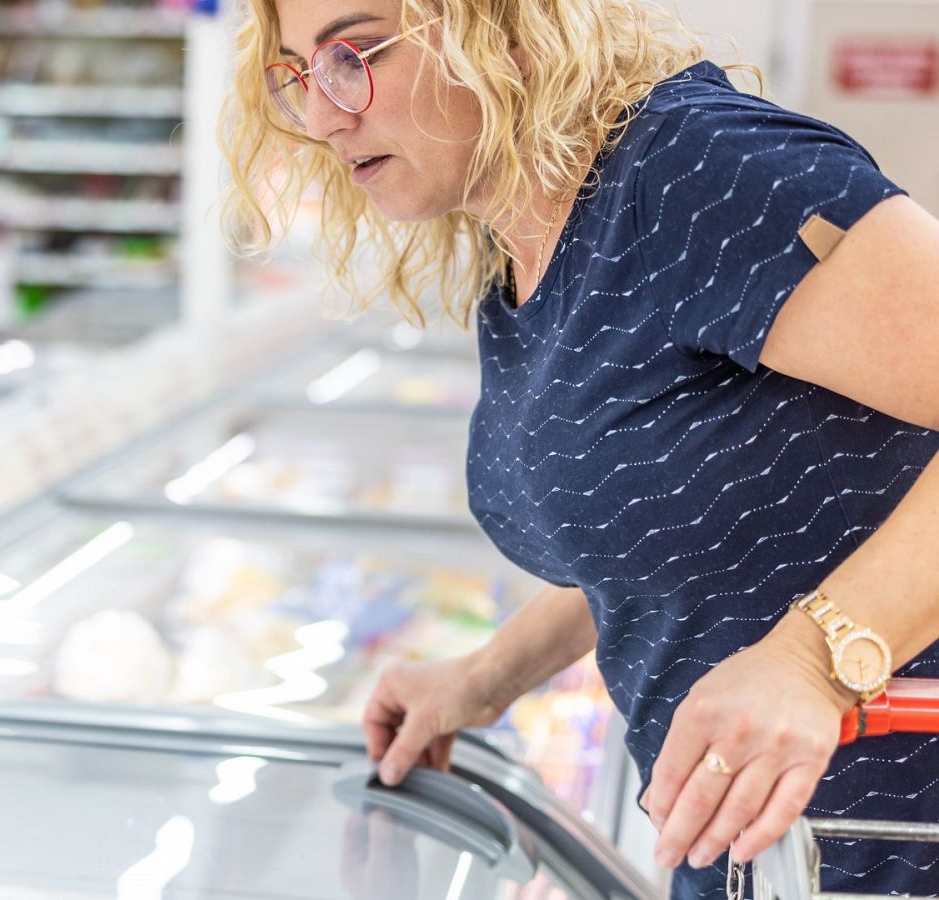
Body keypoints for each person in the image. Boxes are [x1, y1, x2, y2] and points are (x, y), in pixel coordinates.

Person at [219, 1, 939, 895]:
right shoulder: (524, 228)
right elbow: (670, 521)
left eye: (356, 54)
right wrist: (485, 677)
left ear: (504, 30)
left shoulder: (700, 172)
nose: (325, 114)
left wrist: (815, 662)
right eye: (295, 74)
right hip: (761, 848)